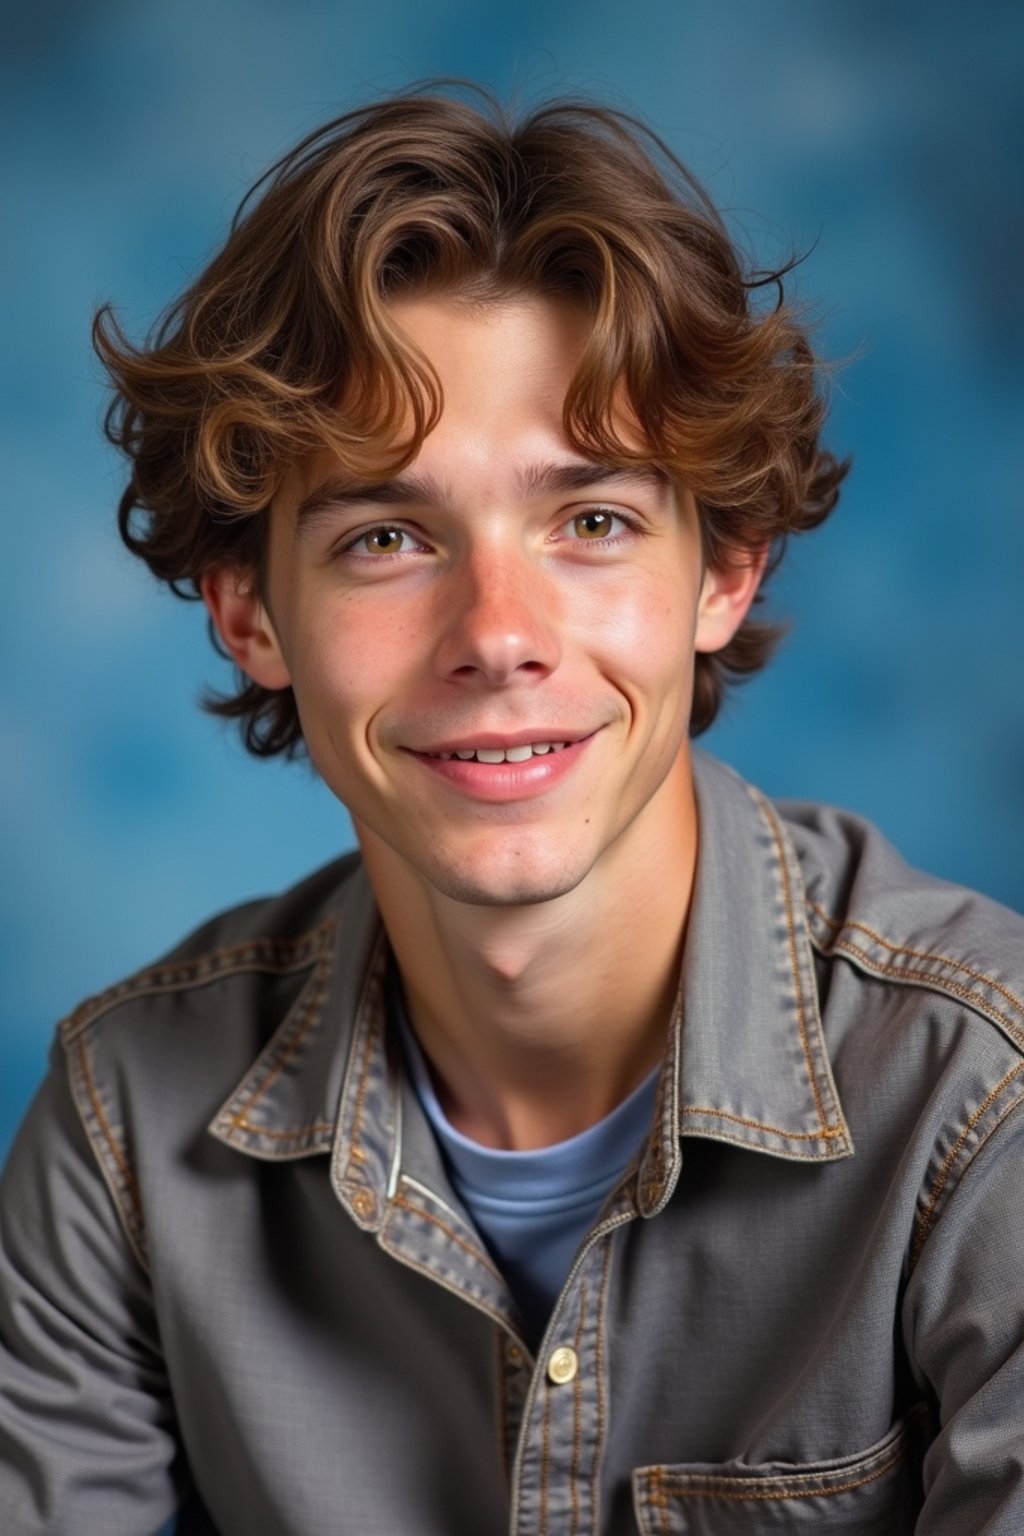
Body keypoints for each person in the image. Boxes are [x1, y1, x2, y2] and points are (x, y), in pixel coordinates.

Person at [1, 85, 1022, 1536]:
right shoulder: (123, 1130)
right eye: (386, 536)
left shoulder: (986, 1108)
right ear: (250, 615)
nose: (499, 632)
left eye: (591, 521)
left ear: (723, 572)